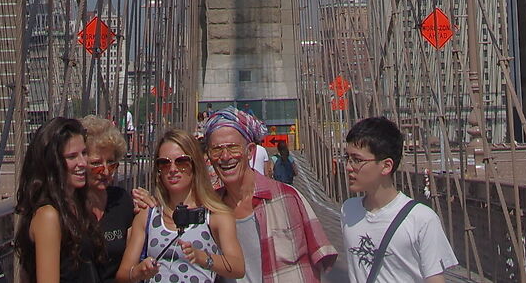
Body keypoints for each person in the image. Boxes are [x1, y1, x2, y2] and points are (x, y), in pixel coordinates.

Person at [200, 108, 335, 283]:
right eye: (216, 150)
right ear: (209, 156)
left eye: (233, 148)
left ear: (250, 151)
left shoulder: (288, 198)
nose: (225, 157)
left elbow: (321, 257)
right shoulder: (208, 208)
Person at [338, 118, 456, 283]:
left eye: (357, 160)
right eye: (347, 158)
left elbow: (435, 279)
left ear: (386, 166)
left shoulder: (422, 219)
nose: (349, 167)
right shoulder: (348, 211)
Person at [117, 129, 242, 283]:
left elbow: (237, 267)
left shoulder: (215, 215)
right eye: (164, 163)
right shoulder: (147, 216)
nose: (173, 169)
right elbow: (123, 275)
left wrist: (203, 257)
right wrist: (138, 272)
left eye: (181, 161)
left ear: (195, 165)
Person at [17, 117, 98, 283]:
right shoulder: (48, 215)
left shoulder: (76, 205)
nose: (82, 163)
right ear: (52, 162)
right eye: (72, 156)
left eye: (84, 153)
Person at [81, 116, 138, 279]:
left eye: (111, 163)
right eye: (96, 164)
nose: (106, 172)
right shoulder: (68, 207)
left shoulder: (122, 201)